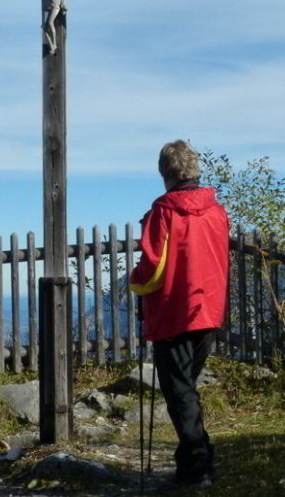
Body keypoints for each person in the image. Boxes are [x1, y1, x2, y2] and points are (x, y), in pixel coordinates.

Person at [130, 140, 229, 488]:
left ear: (164, 173)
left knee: (180, 393)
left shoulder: (164, 212)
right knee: (185, 388)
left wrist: (135, 281)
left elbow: (153, 266)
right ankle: (193, 462)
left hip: (174, 312)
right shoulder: (217, 212)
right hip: (209, 311)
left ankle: (197, 469)